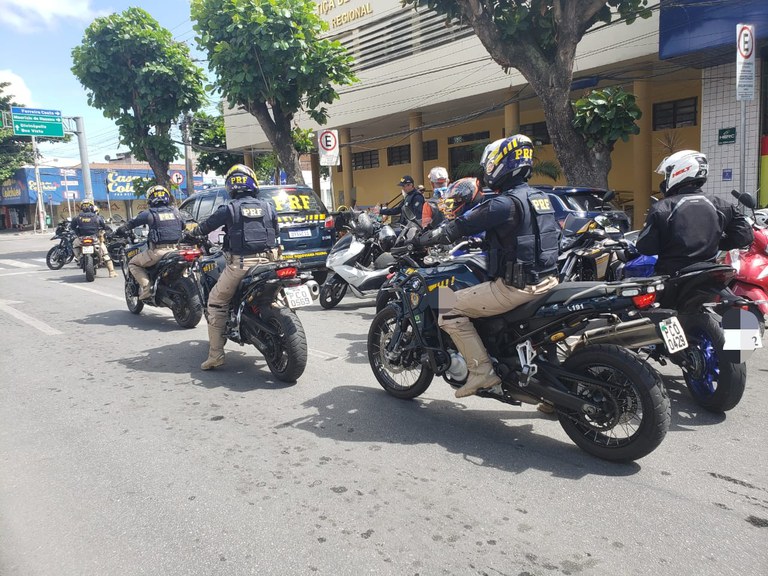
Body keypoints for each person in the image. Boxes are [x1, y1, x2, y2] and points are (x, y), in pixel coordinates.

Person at [416, 135, 561, 398]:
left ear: (500, 165)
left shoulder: (503, 203)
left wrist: (426, 238)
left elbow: (459, 226)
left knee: (446, 306)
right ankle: (551, 396)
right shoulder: (541, 197)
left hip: (516, 288)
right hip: (549, 282)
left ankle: (481, 372)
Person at [191, 164, 280, 371]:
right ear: (253, 184)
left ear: (231, 187)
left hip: (241, 265)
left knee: (216, 302)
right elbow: (275, 230)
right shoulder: (268, 206)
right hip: (270, 262)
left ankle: (215, 355)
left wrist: (194, 232)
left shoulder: (229, 209)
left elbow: (205, 227)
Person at [635, 149, 753, 275]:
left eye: (667, 174)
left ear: (679, 171)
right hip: (709, 276)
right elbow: (744, 236)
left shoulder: (662, 208)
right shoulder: (722, 205)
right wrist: (714, 242)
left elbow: (645, 247)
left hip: (672, 278)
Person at [115, 185, 184, 300]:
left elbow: (131, 223)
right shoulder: (176, 212)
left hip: (159, 252)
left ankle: (147, 288)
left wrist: (119, 230)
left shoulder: (149, 213)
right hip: (178, 250)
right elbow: (184, 226)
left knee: (133, 263)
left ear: (150, 199)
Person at [71, 199, 117, 277]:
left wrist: (78, 233)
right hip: (95, 239)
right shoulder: (97, 217)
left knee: (74, 245)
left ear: (81, 207)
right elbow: (103, 226)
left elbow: (73, 227)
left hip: (81, 239)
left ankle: (79, 257)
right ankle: (112, 272)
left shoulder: (77, 217)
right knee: (105, 253)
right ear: (92, 207)